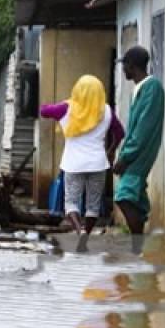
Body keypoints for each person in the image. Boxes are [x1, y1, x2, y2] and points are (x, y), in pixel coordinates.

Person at [40, 75, 125, 252]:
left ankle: (79, 232)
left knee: (71, 202)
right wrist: (110, 150)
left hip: (73, 164)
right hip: (98, 164)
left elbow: (43, 111)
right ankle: (86, 233)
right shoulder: (107, 111)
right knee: (93, 205)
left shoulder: (66, 108)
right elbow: (120, 133)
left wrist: (65, 103)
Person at [112, 45, 165, 253]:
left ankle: (137, 245)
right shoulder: (142, 88)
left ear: (131, 66)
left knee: (123, 196)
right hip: (136, 149)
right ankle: (139, 243)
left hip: (141, 150)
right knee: (136, 195)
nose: (123, 69)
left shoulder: (152, 88)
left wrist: (126, 156)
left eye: (124, 65)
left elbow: (143, 127)